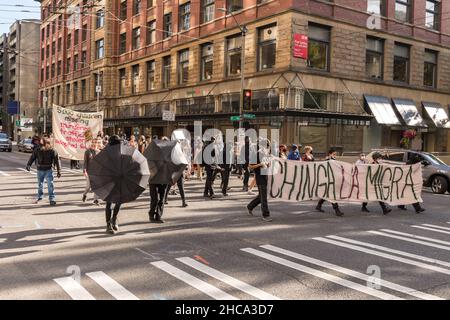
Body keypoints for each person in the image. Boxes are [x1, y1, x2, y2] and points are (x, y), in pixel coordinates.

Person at [26, 137, 61, 206]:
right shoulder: (38, 149)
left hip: (48, 169)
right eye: (40, 144)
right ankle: (40, 196)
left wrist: (58, 171)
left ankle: (52, 199)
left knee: (50, 185)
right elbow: (32, 157)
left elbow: (57, 160)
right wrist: (28, 165)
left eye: (42, 144)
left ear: (47, 144)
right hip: (40, 169)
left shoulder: (52, 150)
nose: (41, 145)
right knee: (40, 185)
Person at [247, 139, 273, 222]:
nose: (268, 148)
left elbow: (268, 166)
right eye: (266, 146)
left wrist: (269, 164)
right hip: (259, 177)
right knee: (264, 197)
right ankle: (266, 215)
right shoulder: (257, 154)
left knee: (261, 196)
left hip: (265, 177)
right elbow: (250, 166)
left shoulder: (267, 154)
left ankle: (250, 206)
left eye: (268, 146)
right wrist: (260, 164)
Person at [315, 149, 344, 216]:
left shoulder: (333, 160)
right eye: (334, 154)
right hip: (327, 180)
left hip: (332, 179)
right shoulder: (327, 160)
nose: (335, 155)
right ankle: (337, 210)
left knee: (326, 194)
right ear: (330, 154)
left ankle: (319, 206)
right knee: (332, 195)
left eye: (335, 154)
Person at [104, 135, 123, 234]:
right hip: (109, 180)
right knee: (109, 202)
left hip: (120, 179)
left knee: (119, 201)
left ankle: (114, 219)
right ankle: (108, 224)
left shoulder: (121, 151)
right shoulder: (106, 153)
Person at [82, 138, 100, 205]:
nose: (94, 143)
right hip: (89, 172)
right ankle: (84, 194)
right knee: (88, 187)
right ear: (91, 142)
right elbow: (85, 162)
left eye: (96, 142)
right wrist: (84, 170)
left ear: (97, 143)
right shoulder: (87, 152)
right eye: (93, 142)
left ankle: (95, 199)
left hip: (97, 172)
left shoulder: (99, 152)